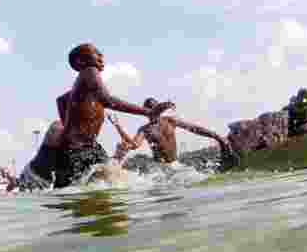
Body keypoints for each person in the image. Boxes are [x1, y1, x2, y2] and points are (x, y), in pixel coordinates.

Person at [54, 44, 174, 189]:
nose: (101, 58)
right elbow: (108, 100)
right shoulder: (90, 71)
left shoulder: (81, 85)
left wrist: (67, 127)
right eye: (97, 54)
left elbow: (61, 100)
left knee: (108, 184)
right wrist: (148, 112)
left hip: (86, 147)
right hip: (77, 150)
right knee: (108, 187)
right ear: (80, 62)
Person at [108, 99, 238, 169]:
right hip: (164, 167)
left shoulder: (167, 122)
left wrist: (215, 135)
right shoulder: (149, 128)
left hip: (170, 167)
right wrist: (117, 126)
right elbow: (134, 145)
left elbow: (194, 128)